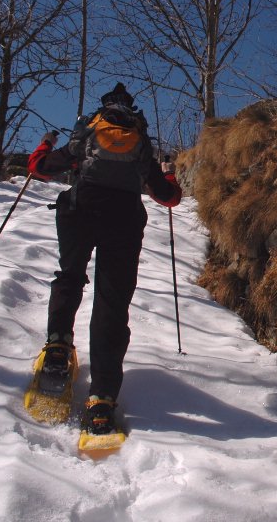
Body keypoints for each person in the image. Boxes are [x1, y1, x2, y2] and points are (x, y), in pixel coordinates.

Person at [27, 82, 182, 435]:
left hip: (81, 208)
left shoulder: (89, 129)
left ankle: (57, 346)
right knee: (112, 301)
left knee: (70, 275)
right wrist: (171, 178)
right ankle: (102, 397)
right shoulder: (140, 138)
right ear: (132, 109)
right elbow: (167, 196)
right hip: (125, 218)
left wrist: (45, 145)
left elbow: (41, 167)